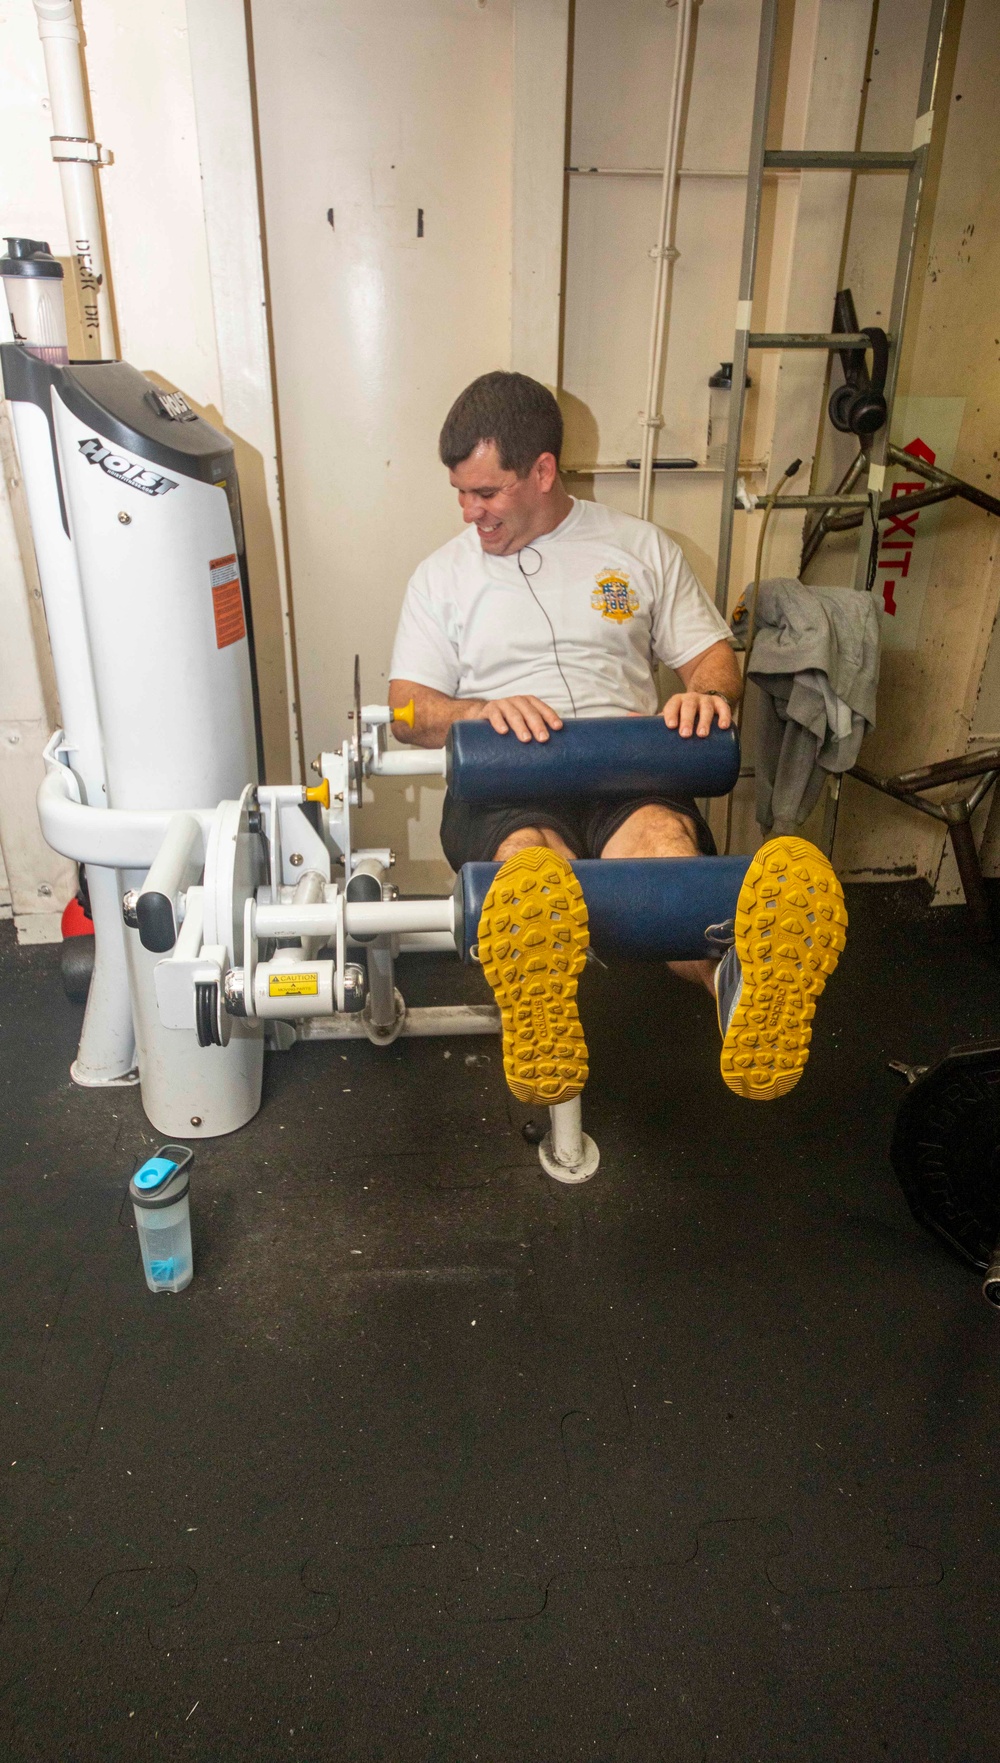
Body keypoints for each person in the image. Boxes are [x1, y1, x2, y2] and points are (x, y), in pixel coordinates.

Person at [388, 371, 846, 1105]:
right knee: (532, 868)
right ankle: (545, 1004)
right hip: (509, 776)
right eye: (462, 494)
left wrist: (708, 695)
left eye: (486, 492)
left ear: (542, 471)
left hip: (628, 767)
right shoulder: (440, 578)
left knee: (665, 847)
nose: (470, 512)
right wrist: (475, 710)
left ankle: (743, 983)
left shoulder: (638, 547)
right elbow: (406, 711)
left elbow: (713, 659)